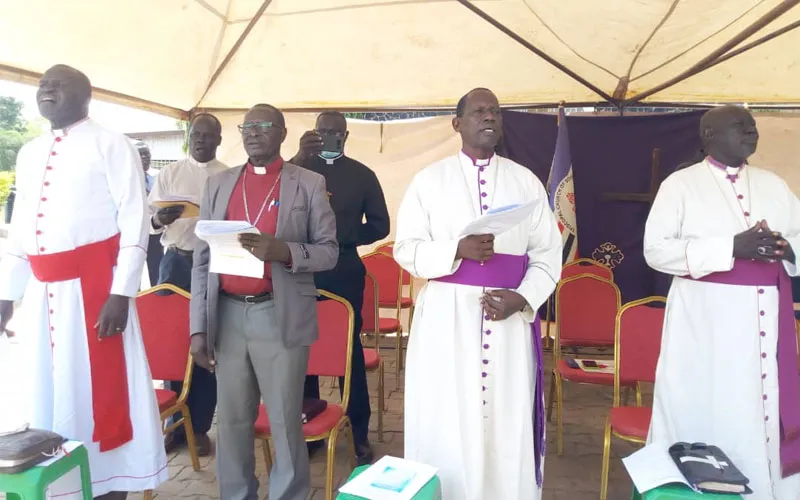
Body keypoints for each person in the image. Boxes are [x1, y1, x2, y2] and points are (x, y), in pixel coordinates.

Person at [0, 64, 167, 499]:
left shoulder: (111, 144)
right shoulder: (30, 152)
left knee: (97, 392)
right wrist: (6, 296)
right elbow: (20, 232)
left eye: (57, 84)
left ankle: (110, 480)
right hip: (42, 297)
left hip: (93, 292)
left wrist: (121, 293)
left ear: (85, 94)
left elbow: (135, 222)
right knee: (47, 389)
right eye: (42, 85)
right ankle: (59, 483)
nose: (46, 90)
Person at [393, 88, 561, 500]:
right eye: (479, 112)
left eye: (495, 112)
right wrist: (455, 250)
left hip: (508, 318)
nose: (489, 118)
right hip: (446, 319)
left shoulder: (526, 181)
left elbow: (547, 253)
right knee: (446, 413)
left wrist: (524, 298)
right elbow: (406, 250)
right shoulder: (429, 180)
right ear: (457, 124)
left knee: (505, 414)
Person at [644, 105, 800, 499]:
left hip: (767, 321)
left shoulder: (774, 184)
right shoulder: (680, 185)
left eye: (753, 125)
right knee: (711, 402)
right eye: (740, 125)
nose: (751, 130)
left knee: (763, 407)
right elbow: (656, 250)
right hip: (706, 325)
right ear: (709, 135)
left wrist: (787, 249)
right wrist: (731, 247)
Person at [190, 103, 338, 500]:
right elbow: (202, 260)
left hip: (278, 312)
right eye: (247, 126)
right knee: (232, 420)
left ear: (283, 134)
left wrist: (284, 251)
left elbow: (329, 251)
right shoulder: (218, 184)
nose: (253, 132)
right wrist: (198, 328)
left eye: (263, 125)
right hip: (227, 315)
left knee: (285, 419)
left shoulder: (308, 183)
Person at [291, 111, 390, 464]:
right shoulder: (296, 171)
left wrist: (343, 236)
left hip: (344, 269)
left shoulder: (362, 175)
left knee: (349, 352)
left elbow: (380, 225)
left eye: (336, 132)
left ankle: (358, 432)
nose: (329, 136)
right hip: (302, 270)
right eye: (322, 131)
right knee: (303, 351)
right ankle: (310, 427)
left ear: (346, 137)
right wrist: (298, 158)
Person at [148, 113, 227, 456]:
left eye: (208, 136)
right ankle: (175, 424)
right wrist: (158, 218)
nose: (200, 141)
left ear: (219, 140)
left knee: (206, 343)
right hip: (175, 263)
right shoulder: (169, 173)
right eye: (196, 135)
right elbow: (148, 221)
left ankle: (199, 427)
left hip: (211, 265)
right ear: (188, 137)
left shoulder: (227, 175)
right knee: (173, 343)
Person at [135, 140, 164, 288]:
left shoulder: (158, 176)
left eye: (147, 154)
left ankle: (157, 296)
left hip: (155, 231)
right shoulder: (126, 179)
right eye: (140, 154)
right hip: (134, 233)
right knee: (134, 271)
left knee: (157, 269)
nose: (144, 157)